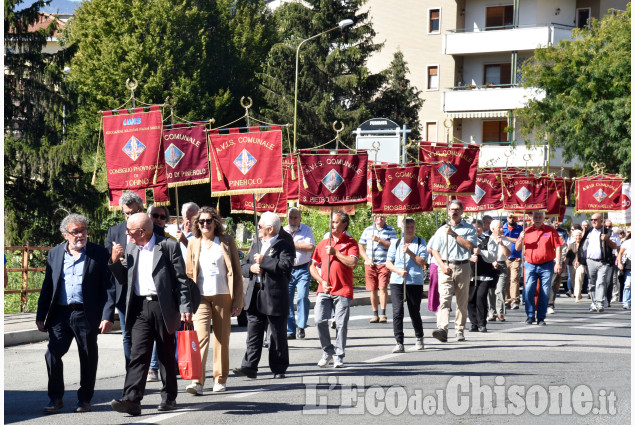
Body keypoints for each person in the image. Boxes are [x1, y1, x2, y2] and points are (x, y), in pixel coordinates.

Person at [109, 213, 195, 416]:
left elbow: (182, 280)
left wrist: (186, 308)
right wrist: (114, 261)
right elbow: (124, 279)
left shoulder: (167, 246)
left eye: (130, 232)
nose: (127, 235)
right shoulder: (130, 248)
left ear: (142, 232)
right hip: (140, 307)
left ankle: (169, 397)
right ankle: (131, 400)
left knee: (166, 353)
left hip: (163, 307)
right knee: (138, 355)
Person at [36, 214, 115, 414]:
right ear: (65, 234)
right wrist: (40, 315)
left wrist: (107, 315)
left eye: (83, 230)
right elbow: (48, 286)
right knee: (52, 354)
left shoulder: (99, 253)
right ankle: (55, 398)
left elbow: (108, 287)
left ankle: (84, 399)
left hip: (86, 314)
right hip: (60, 314)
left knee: (88, 357)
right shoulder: (54, 254)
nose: (80, 235)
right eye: (75, 232)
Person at [185, 207, 243, 394]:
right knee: (200, 338)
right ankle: (197, 381)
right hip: (199, 296)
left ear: (215, 222)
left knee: (221, 339)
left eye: (208, 221)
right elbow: (188, 274)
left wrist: (238, 301)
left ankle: (219, 378)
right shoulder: (193, 243)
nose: (205, 224)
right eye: (201, 222)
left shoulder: (226, 241)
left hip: (223, 294)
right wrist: (185, 302)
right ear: (197, 225)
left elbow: (236, 271)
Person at [105, 191, 164, 368]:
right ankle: (132, 371)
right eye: (126, 213)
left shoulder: (156, 230)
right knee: (127, 334)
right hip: (124, 291)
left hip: (149, 291)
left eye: (133, 212)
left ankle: (152, 367)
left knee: (153, 333)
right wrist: (116, 258)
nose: (129, 216)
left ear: (142, 210)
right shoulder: (114, 231)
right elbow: (107, 262)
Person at [233, 212, 294, 379]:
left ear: (270, 228)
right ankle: (249, 366)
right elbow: (244, 265)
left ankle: (279, 368)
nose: (257, 229)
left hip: (274, 295)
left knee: (276, 334)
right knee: (253, 332)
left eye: (260, 226)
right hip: (256, 293)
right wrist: (251, 268)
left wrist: (263, 261)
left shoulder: (284, 245)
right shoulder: (257, 244)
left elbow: (285, 266)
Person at [310, 211, 359, 368]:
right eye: (331, 222)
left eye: (335, 222)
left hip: (342, 290)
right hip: (324, 290)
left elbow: (352, 263)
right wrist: (321, 280)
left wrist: (336, 253)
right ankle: (327, 350)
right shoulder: (323, 243)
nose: (332, 225)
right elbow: (312, 266)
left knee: (340, 324)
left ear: (344, 224)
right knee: (319, 320)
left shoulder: (351, 243)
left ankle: (339, 355)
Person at [429, 200, 477, 343]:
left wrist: (454, 234)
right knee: (444, 299)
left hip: (463, 266)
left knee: (462, 301)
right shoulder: (441, 230)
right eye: (451, 209)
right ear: (448, 212)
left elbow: (469, 245)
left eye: (457, 210)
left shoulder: (469, 229)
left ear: (462, 212)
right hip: (445, 267)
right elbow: (434, 250)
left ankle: (459, 329)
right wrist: (442, 265)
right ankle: (442, 329)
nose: (454, 212)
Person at [385, 217, 427, 352]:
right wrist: (398, 271)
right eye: (407, 227)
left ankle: (419, 337)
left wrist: (409, 252)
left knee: (414, 310)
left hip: (414, 281)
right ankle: (399, 342)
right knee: (397, 311)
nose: (409, 229)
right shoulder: (396, 243)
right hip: (397, 280)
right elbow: (388, 262)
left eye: (412, 227)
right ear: (402, 229)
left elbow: (422, 262)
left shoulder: (420, 242)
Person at [515, 210, 563, 325]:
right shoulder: (526, 231)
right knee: (529, 290)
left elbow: (558, 247)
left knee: (545, 291)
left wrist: (558, 262)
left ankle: (541, 317)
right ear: (532, 218)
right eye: (535, 217)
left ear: (543, 218)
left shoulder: (550, 231)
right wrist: (521, 238)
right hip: (530, 264)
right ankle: (530, 315)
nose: (537, 219)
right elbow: (517, 248)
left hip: (546, 265)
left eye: (540, 217)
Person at [146, 204, 172, 382]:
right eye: (155, 215)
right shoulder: (139, 240)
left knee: (164, 340)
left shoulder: (170, 240)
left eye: (163, 217)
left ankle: (156, 368)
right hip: (143, 298)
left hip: (164, 297)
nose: (158, 220)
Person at [284, 208, 315, 340]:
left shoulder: (307, 230)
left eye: (295, 218)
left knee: (302, 297)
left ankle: (301, 326)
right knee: (287, 299)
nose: (293, 220)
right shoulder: (283, 230)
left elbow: (310, 247)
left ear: (300, 219)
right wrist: (298, 245)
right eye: (291, 217)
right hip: (287, 269)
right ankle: (290, 330)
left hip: (303, 268)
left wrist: (290, 243)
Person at [359, 215, 397, 323]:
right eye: (377, 217)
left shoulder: (391, 230)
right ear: (374, 218)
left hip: (384, 263)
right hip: (370, 264)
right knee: (373, 289)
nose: (379, 219)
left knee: (382, 287)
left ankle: (383, 313)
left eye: (382, 217)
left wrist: (379, 240)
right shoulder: (368, 230)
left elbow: (393, 245)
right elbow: (361, 246)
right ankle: (374, 313)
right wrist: (367, 258)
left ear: (385, 218)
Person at [580, 213, 620, 312]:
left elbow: (615, 246)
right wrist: (580, 260)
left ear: (601, 221)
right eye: (592, 219)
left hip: (603, 262)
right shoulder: (588, 231)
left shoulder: (608, 232)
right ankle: (594, 303)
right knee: (592, 283)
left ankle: (600, 303)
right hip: (590, 261)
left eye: (596, 219)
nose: (593, 221)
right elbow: (582, 246)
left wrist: (606, 239)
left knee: (601, 282)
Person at [467, 220, 499, 333]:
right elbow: (460, 254)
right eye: (474, 228)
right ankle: (473, 323)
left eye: (478, 227)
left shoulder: (489, 239)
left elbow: (493, 256)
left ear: (482, 227)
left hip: (484, 274)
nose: (476, 230)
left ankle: (482, 323)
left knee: (480, 298)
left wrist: (481, 252)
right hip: (470, 273)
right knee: (470, 299)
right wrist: (469, 257)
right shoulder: (466, 240)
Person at [486, 219, 512, 322]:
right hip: (490, 265)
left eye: (502, 227)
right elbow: (485, 253)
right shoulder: (487, 239)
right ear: (492, 229)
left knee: (500, 289)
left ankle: (500, 312)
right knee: (491, 290)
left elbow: (507, 254)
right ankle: (491, 312)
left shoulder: (505, 240)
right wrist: (492, 261)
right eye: (499, 227)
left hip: (501, 265)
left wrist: (502, 244)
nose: (501, 229)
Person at [547, 218, 568, 314]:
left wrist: (559, 262)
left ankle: (550, 304)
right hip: (543, 262)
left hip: (555, 261)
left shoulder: (559, 235)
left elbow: (563, 248)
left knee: (552, 283)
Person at [503, 213, 523, 310]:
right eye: (510, 217)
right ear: (507, 218)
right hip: (505, 257)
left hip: (516, 257)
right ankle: (507, 300)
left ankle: (514, 300)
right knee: (506, 279)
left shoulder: (520, 229)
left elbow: (519, 241)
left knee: (514, 278)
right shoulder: (502, 228)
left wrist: (506, 237)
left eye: (513, 217)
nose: (511, 219)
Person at [568, 229, 585, 302]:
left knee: (578, 279)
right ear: (574, 236)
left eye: (579, 235)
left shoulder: (584, 244)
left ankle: (577, 296)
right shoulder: (571, 245)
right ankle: (577, 293)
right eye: (576, 236)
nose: (578, 237)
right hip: (572, 264)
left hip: (581, 264)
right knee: (573, 280)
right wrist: (564, 267)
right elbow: (567, 256)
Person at [617, 232, 631, 310]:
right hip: (629, 265)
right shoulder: (627, 242)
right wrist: (620, 263)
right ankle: (626, 302)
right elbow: (620, 253)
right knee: (628, 284)